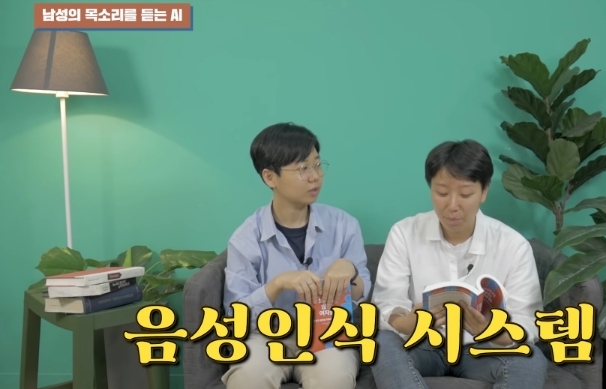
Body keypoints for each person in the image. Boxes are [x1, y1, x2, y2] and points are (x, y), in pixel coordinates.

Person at [370, 139, 548, 389]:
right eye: (442, 193)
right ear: (430, 189)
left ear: (484, 191)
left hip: (482, 348)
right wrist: (409, 322)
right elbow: (386, 305)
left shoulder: (512, 245)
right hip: (422, 344)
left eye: (465, 194)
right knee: (380, 344)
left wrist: (490, 330)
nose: (452, 206)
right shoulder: (404, 233)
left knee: (530, 358)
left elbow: (528, 324)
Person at [221, 122, 372, 389]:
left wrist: (350, 270)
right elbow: (236, 318)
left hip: (327, 332)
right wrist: (277, 284)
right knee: (248, 376)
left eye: (317, 165)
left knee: (334, 377)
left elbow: (362, 294)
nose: (315, 176)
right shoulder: (246, 238)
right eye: (303, 169)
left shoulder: (344, 225)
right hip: (265, 336)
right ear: (270, 177)